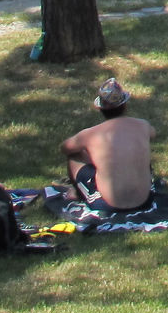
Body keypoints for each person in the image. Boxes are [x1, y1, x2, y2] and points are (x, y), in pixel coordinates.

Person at [60, 79, 157, 214]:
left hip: (106, 204)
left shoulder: (90, 134)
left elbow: (65, 148)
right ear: (125, 105)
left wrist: (89, 151)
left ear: (100, 108)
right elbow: (152, 134)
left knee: (75, 155)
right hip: (146, 200)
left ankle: (78, 191)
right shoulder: (143, 125)